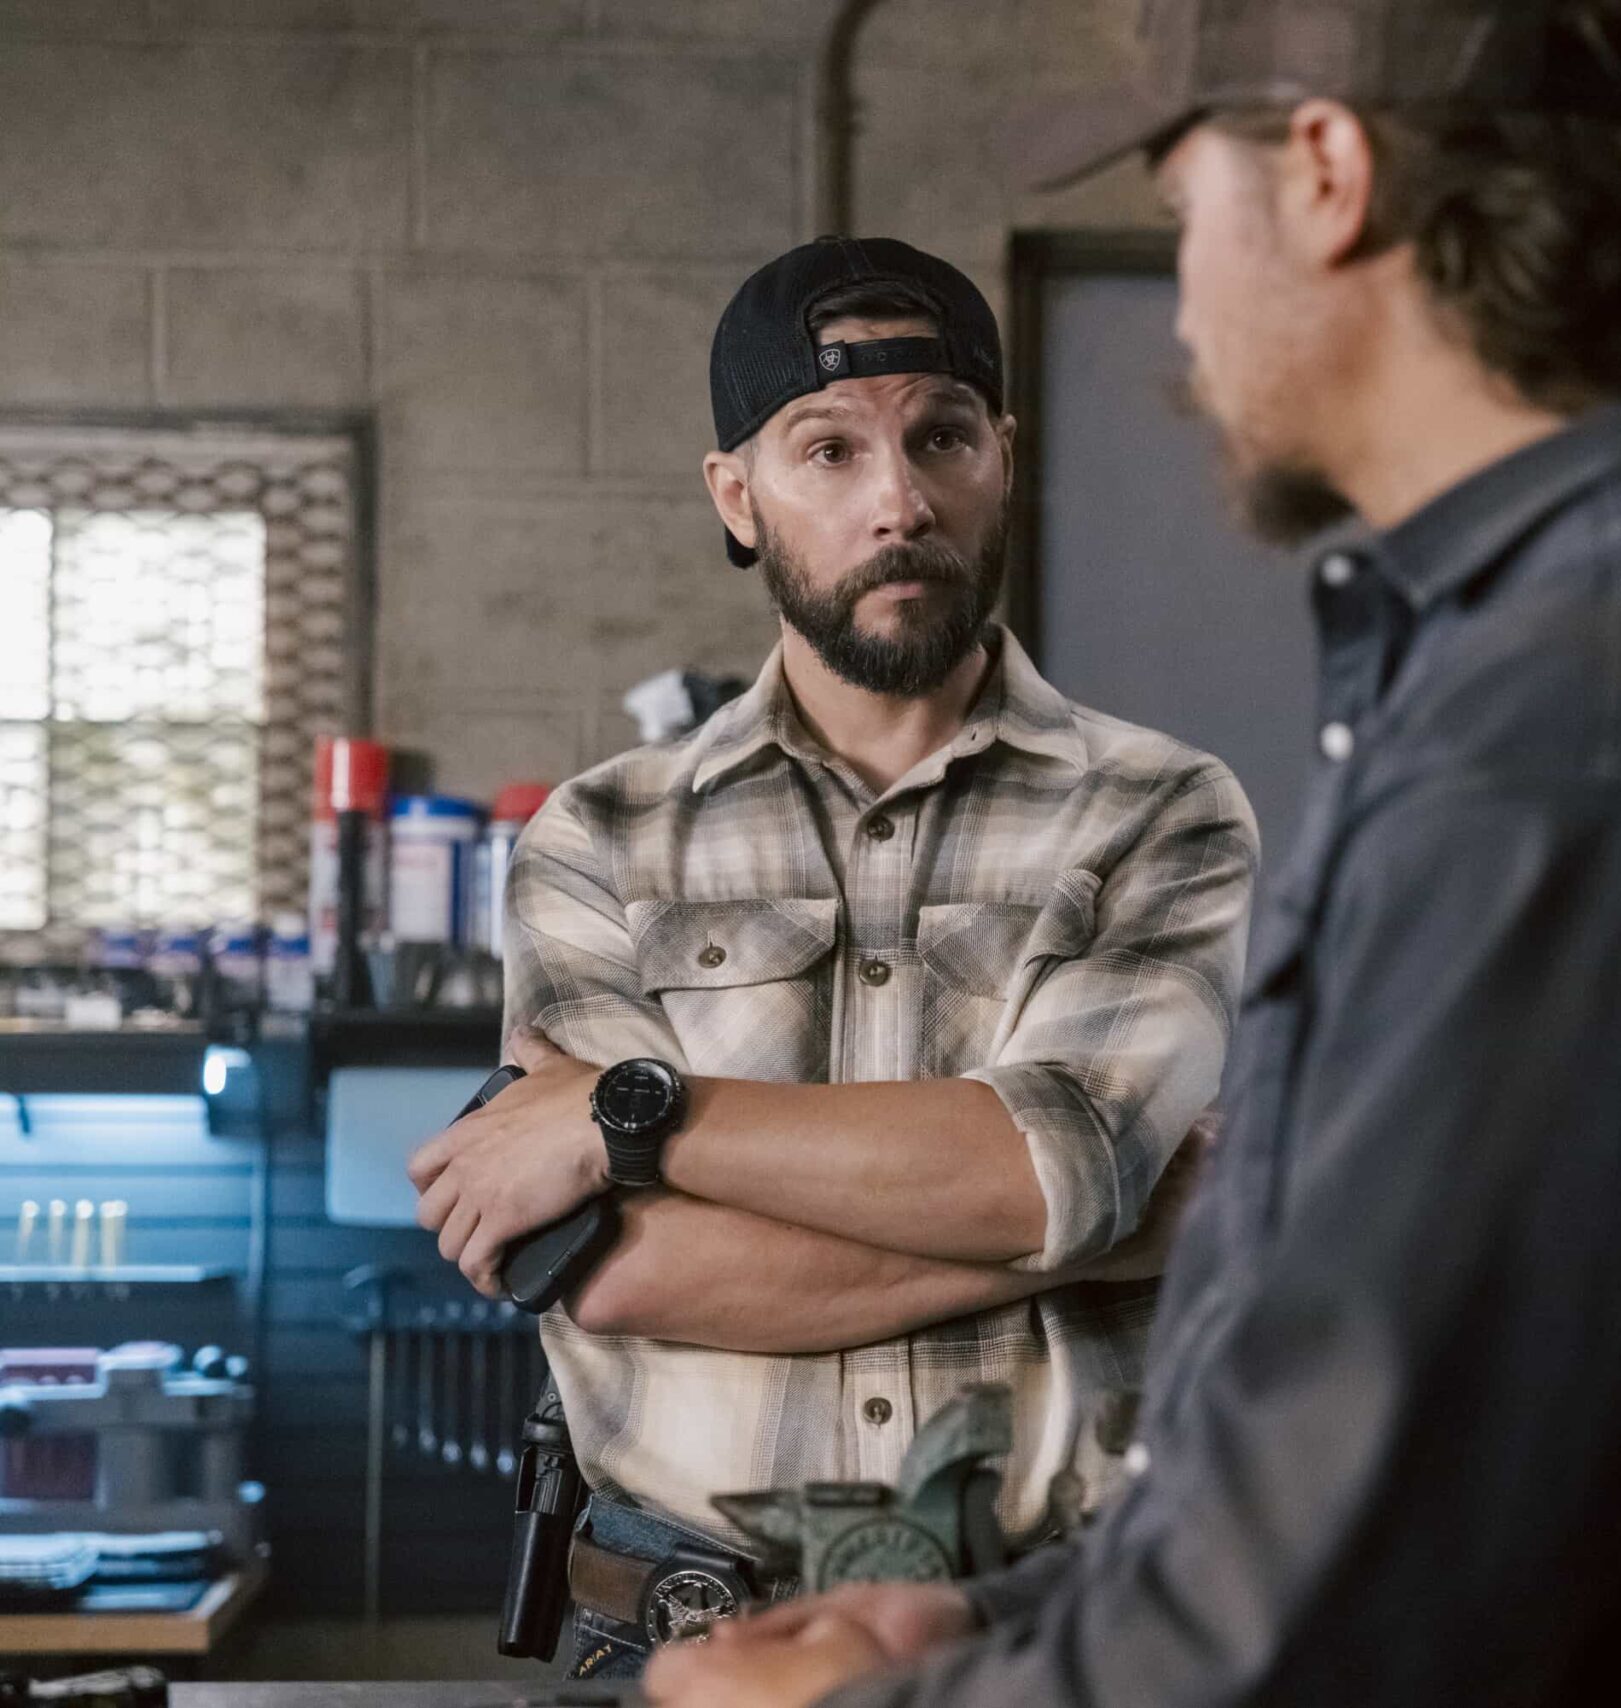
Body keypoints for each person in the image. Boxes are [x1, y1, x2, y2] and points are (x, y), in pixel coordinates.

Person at [648, 1, 1621, 1703]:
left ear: (1324, 172)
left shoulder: (1597, 720)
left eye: (1183, 221)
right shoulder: (1576, 658)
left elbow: (1383, 1596)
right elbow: (1361, 1471)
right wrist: (994, 1623)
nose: (1181, 307)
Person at [405, 236, 1256, 1679]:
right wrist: (1107, 1229)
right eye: (828, 452)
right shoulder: (599, 840)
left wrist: (640, 1116)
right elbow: (610, 1267)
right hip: (677, 1642)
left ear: (1004, 458)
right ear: (737, 497)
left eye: (942, 436)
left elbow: (1052, 1167)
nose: (899, 500)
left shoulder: (1161, 811)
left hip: (1053, 1640)